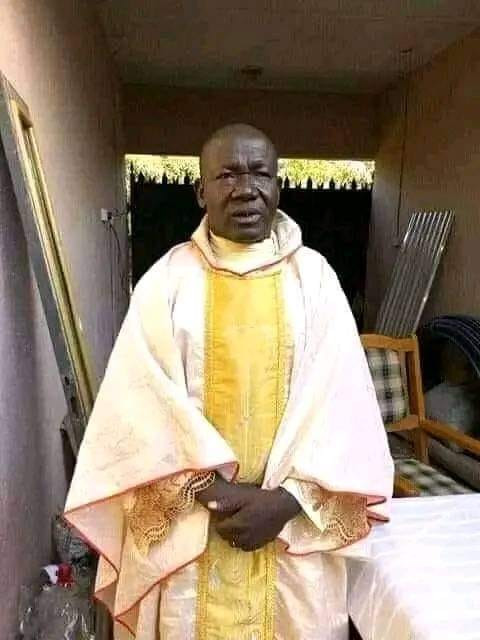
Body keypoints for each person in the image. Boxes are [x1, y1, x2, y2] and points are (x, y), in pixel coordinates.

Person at [65, 124, 393, 640]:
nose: (246, 189)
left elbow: (344, 407)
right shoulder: (166, 282)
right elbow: (138, 409)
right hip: (195, 525)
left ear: (278, 185)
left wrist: (285, 502)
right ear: (201, 191)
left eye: (260, 174)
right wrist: (212, 492)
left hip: (288, 528)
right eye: (227, 175)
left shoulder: (316, 281)